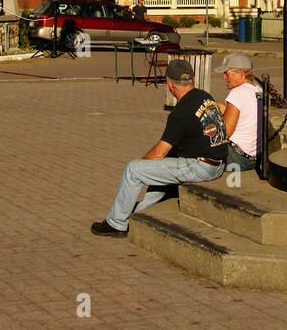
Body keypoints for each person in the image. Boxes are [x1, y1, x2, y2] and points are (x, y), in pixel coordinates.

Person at [92, 59, 228, 236]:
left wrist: (142, 164)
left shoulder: (179, 113)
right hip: (219, 163)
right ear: (193, 80)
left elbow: (159, 152)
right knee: (160, 168)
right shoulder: (205, 96)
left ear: (170, 85)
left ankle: (116, 224)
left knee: (134, 169)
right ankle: (139, 213)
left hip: (201, 167)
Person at [218, 52, 262, 171]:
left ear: (241, 73)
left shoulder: (237, 93)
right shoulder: (258, 90)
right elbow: (245, 117)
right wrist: (222, 108)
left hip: (237, 158)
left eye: (227, 74)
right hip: (256, 157)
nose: (224, 78)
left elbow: (226, 132)